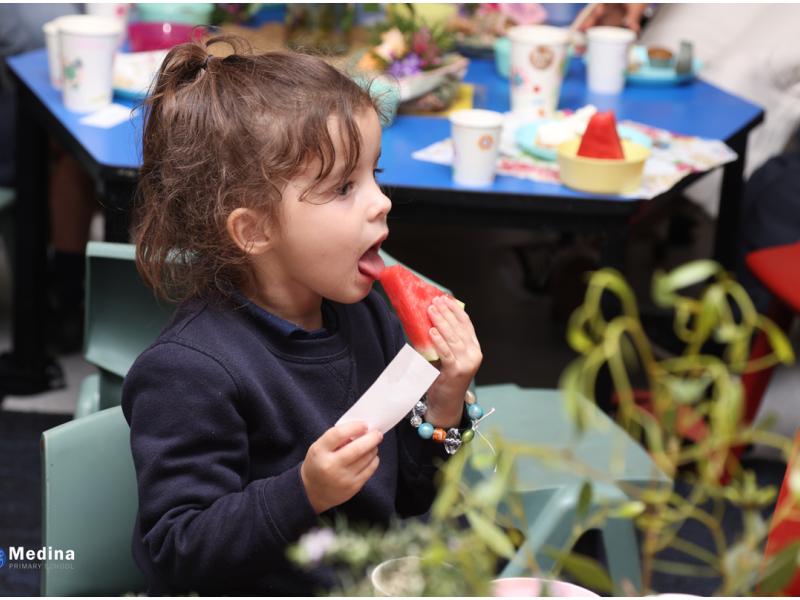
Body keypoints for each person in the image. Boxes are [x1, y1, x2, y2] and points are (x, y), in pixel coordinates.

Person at [121, 36, 483, 596]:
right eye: (343, 187)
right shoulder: (190, 371)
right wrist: (305, 491)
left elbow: (417, 499)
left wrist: (445, 406)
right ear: (254, 230)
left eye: (373, 174)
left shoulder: (369, 318)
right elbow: (175, 550)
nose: (381, 201)